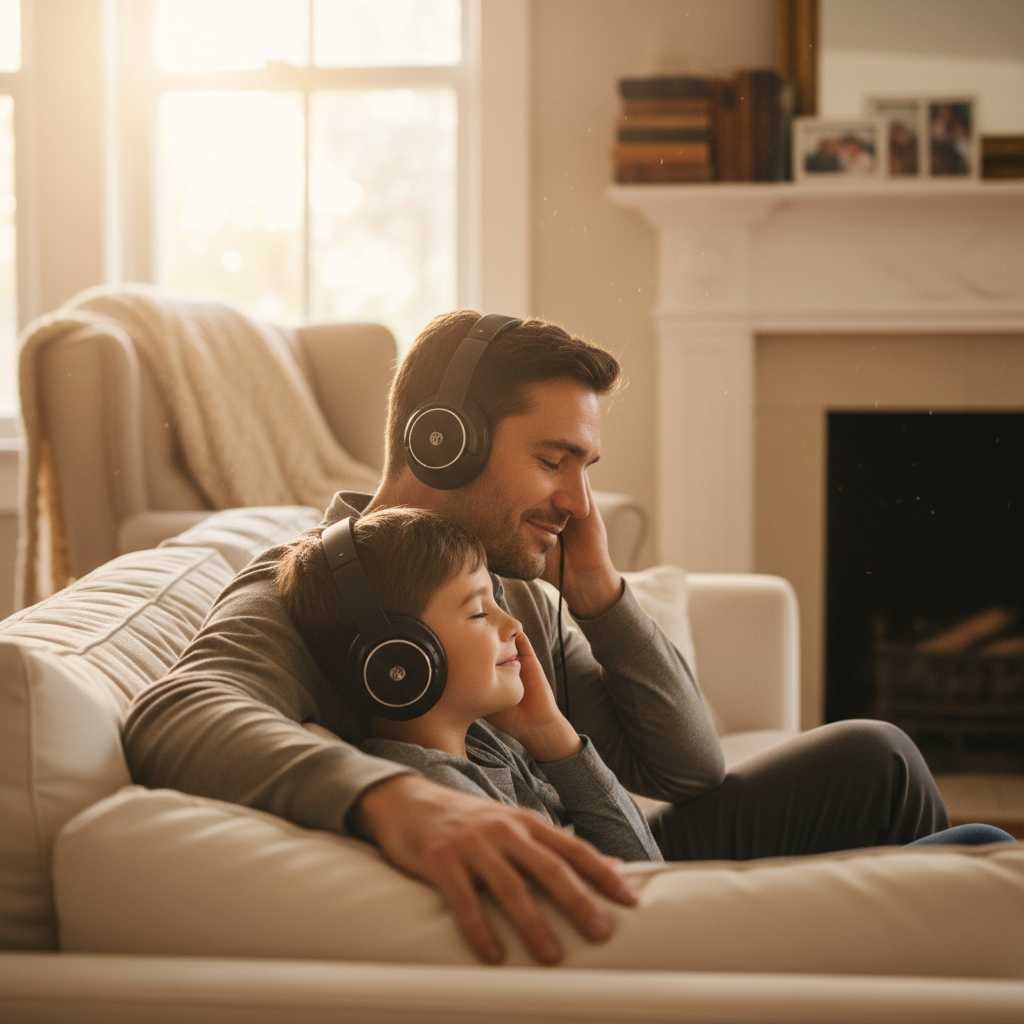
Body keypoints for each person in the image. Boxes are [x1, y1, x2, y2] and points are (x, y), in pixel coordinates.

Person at [123, 309, 950, 967]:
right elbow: (179, 712)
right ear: (442, 442)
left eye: (587, 464)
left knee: (876, 759)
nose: (580, 500)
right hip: (555, 871)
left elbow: (685, 767)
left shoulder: (520, 583)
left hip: (599, 834)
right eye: (557, 459)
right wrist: (390, 797)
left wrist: (597, 592)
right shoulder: (312, 585)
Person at [276, 507, 663, 866]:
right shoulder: (440, 798)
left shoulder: (484, 744)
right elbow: (641, 884)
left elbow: (643, 863)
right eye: (479, 612)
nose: (515, 626)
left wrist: (550, 733)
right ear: (401, 658)